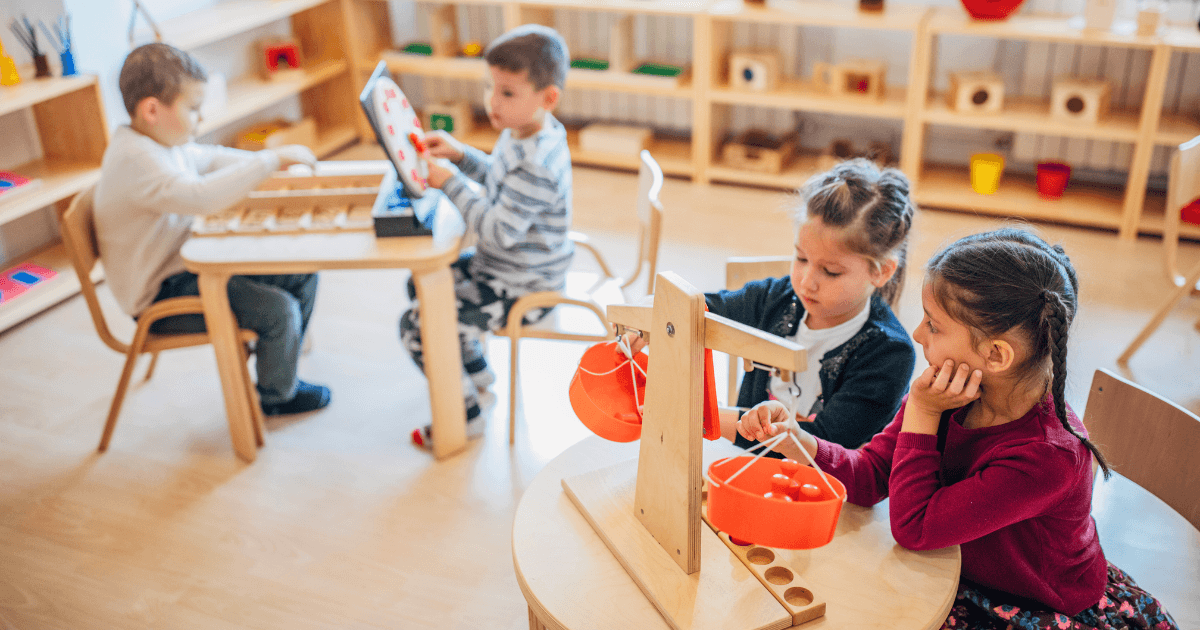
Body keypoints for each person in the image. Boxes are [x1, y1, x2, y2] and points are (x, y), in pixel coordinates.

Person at [737, 227, 1178, 630]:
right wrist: (799, 440)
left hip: (1039, 606)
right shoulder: (953, 392)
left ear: (996, 355)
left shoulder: (1048, 456)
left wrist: (923, 416)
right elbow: (871, 476)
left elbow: (914, 529)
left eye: (934, 324)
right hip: (959, 568)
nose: (916, 333)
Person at [93, 43, 330, 416]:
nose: (200, 118)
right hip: (161, 296)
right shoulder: (136, 159)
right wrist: (268, 161)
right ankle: (276, 395)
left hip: (188, 266)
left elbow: (209, 159)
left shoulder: (159, 142)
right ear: (152, 110)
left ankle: (279, 361)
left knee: (302, 271)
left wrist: (267, 164)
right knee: (278, 311)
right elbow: (199, 197)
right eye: (193, 109)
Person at [653, 158, 915, 449]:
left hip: (821, 487)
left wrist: (698, 415)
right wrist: (649, 318)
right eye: (801, 258)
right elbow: (702, 307)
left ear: (882, 271)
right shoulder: (777, 298)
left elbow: (823, 446)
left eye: (830, 271)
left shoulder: (889, 354)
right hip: (744, 467)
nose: (806, 282)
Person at [401, 24, 573, 449]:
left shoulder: (537, 164)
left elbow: (494, 233)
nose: (492, 102)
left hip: (523, 288)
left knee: (416, 326)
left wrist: (450, 182)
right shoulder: (527, 131)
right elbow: (500, 177)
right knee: (419, 285)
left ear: (548, 97)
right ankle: (479, 374)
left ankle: (466, 416)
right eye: (490, 88)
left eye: (507, 93)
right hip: (509, 271)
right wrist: (462, 155)